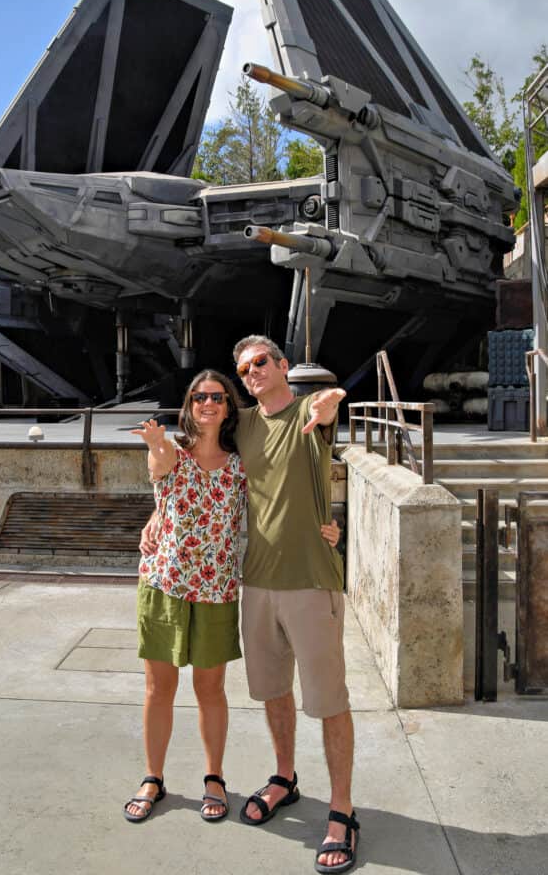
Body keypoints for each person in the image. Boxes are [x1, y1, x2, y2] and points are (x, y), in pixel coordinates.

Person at [230, 335, 357, 874]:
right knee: (273, 691)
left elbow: (332, 402)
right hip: (257, 581)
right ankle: (285, 777)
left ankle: (343, 810)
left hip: (311, 580)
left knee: (328, 699)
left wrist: (331, 399)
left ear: (283, 367)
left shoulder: (309, 409)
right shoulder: (242, 424)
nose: (253, 372)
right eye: (244, 369)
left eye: (262, 362)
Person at [123, 370, 247, 825]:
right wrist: (155, 442)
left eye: (217, 397)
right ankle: (153, 777)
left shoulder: (240, 464)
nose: (208, 404)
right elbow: (159, 464)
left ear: (229, 406)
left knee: (210, 689)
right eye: (199, 397)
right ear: (189, 405)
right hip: (165, 585)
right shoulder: (173, 453)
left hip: (216, 589)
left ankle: (214, 776)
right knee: (159, 689)